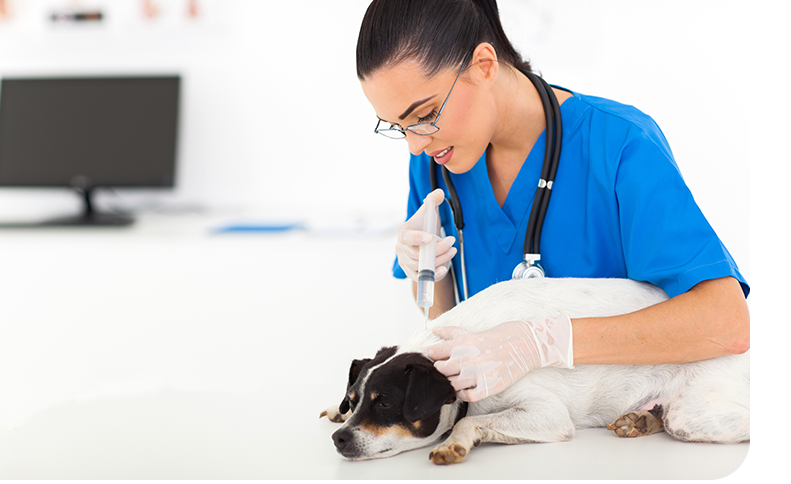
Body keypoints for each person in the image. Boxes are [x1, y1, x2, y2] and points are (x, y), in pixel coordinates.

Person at [356, 0, 749, 402]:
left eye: (426, 113)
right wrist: (430, 272)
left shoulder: (619, 144)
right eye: (398, 126)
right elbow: (449, 328)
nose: (416, 144)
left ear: (484, 66)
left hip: (622, 435)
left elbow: (725, 322)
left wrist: (545, 341)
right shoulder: (437, 162)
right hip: (504, 434)